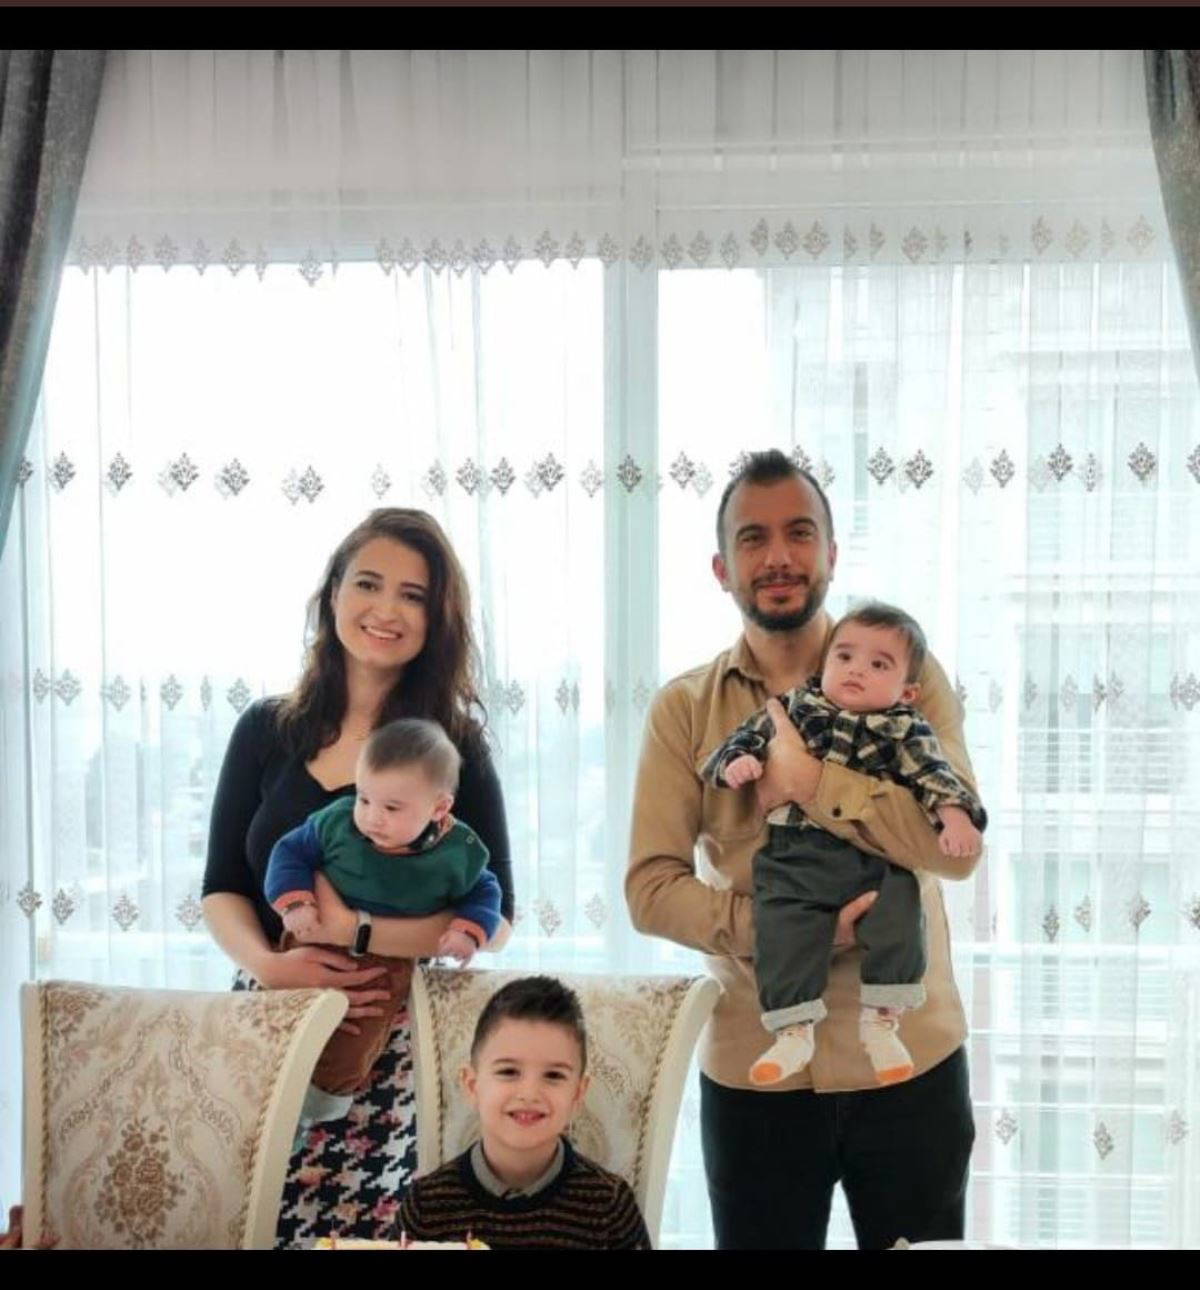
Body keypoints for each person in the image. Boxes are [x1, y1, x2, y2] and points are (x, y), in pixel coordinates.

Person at [626, 449, 983, 1251]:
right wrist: (790, 932)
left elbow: (957, 851)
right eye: (753, 539)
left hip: (911, 1058)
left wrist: (812, 781)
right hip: (755, 1067)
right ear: (722, 568)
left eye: (799, 533)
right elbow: (650, 888)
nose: (778, 556)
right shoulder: (685, 709)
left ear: (831, 553)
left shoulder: (907, 674)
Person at [202, 508, 513, 1248]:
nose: (386, 609)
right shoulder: (266, 729)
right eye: (368, 583)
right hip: (265, 1017)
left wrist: (355, 931)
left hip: (387, 1035)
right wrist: (271, 965)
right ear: (333, 592)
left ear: (436, 619)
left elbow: (497, 920)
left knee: (359, 1235)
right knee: (248, 1219)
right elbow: (221, 886)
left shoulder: (453, 748)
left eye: (413, 595)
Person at [702, 601, 986, 1089]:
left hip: (870, 857)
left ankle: (882, 1021)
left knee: (901, 906)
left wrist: (955, 816)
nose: (857, 670)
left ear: (907, 691)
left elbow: (933, 775)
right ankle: (792, 1030)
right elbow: (740, 741)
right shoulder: (795, 707)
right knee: (781, 920)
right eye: (846, 657)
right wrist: (737, 763)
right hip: (794, 854)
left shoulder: (905, 727)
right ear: (825, 665)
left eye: (879, 665)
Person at [266, 717, 504, 1125]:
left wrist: (466, 931)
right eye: (364, 799)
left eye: (391, 808)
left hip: (385, 962)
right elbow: (289, 853)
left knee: (354, 1040)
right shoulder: (336, 822)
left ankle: (317, 1109)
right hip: (306, 943)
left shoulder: (458, 851)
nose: (372, 817)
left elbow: (486, 893)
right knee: (281, 1029)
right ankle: (271, 1106)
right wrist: (297, 903)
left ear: (439, 808)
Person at [396, 976, 652, 1250]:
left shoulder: (609, 1206)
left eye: (553, 1075)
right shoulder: (426, 1206)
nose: (529, 1093)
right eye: (509, 1071)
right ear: (472, 1085)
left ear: (577, 1094)